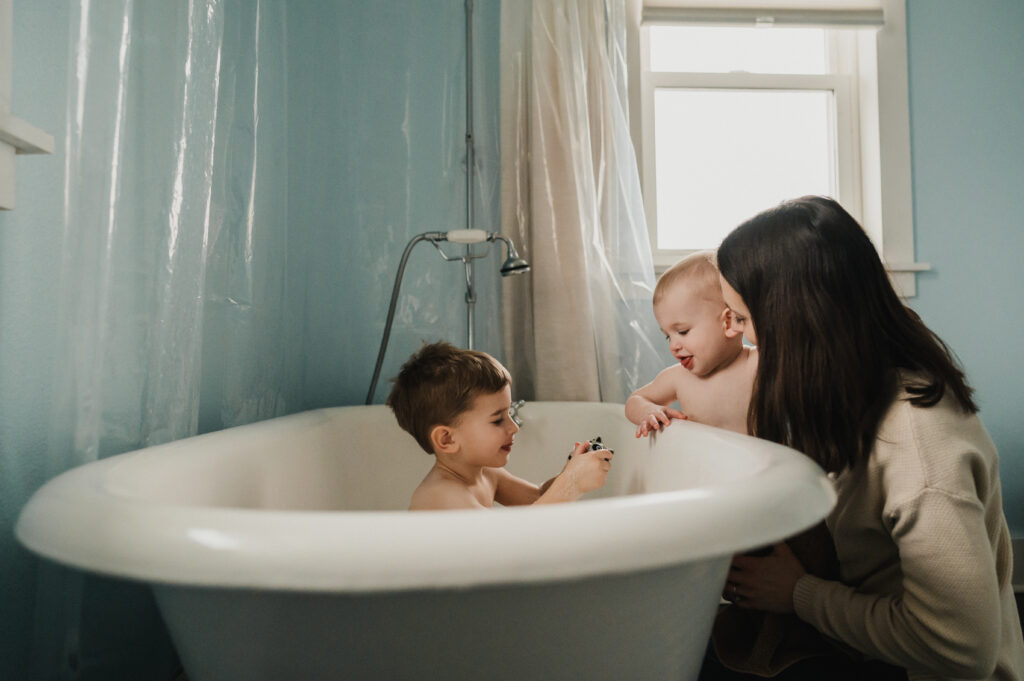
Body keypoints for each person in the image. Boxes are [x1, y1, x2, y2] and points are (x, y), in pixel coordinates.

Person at [711, 195, 1024, 680]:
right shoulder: (859, 376)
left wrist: (798, 594)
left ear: (795, 323)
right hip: (865, 641)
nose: (740, 337)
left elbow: (963, 649)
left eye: (746, 320)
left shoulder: (919, 449)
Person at [388, 341, 613, 510]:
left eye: (509, 413)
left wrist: (571, 469)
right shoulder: (442, 496)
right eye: (498, 419)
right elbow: (517, 539)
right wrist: (571, 483)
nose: (514, 427)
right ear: (447, 439)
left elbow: (536, 498)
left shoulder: (486, 473)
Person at [625, 250, 757, 437]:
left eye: (683, 332)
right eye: (668, 336)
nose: (673, 346)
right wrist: (648, 411)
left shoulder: (755, 365)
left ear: (728, 322)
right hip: (699, 464)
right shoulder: (677, 378)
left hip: (757, 464)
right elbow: (635, 400)